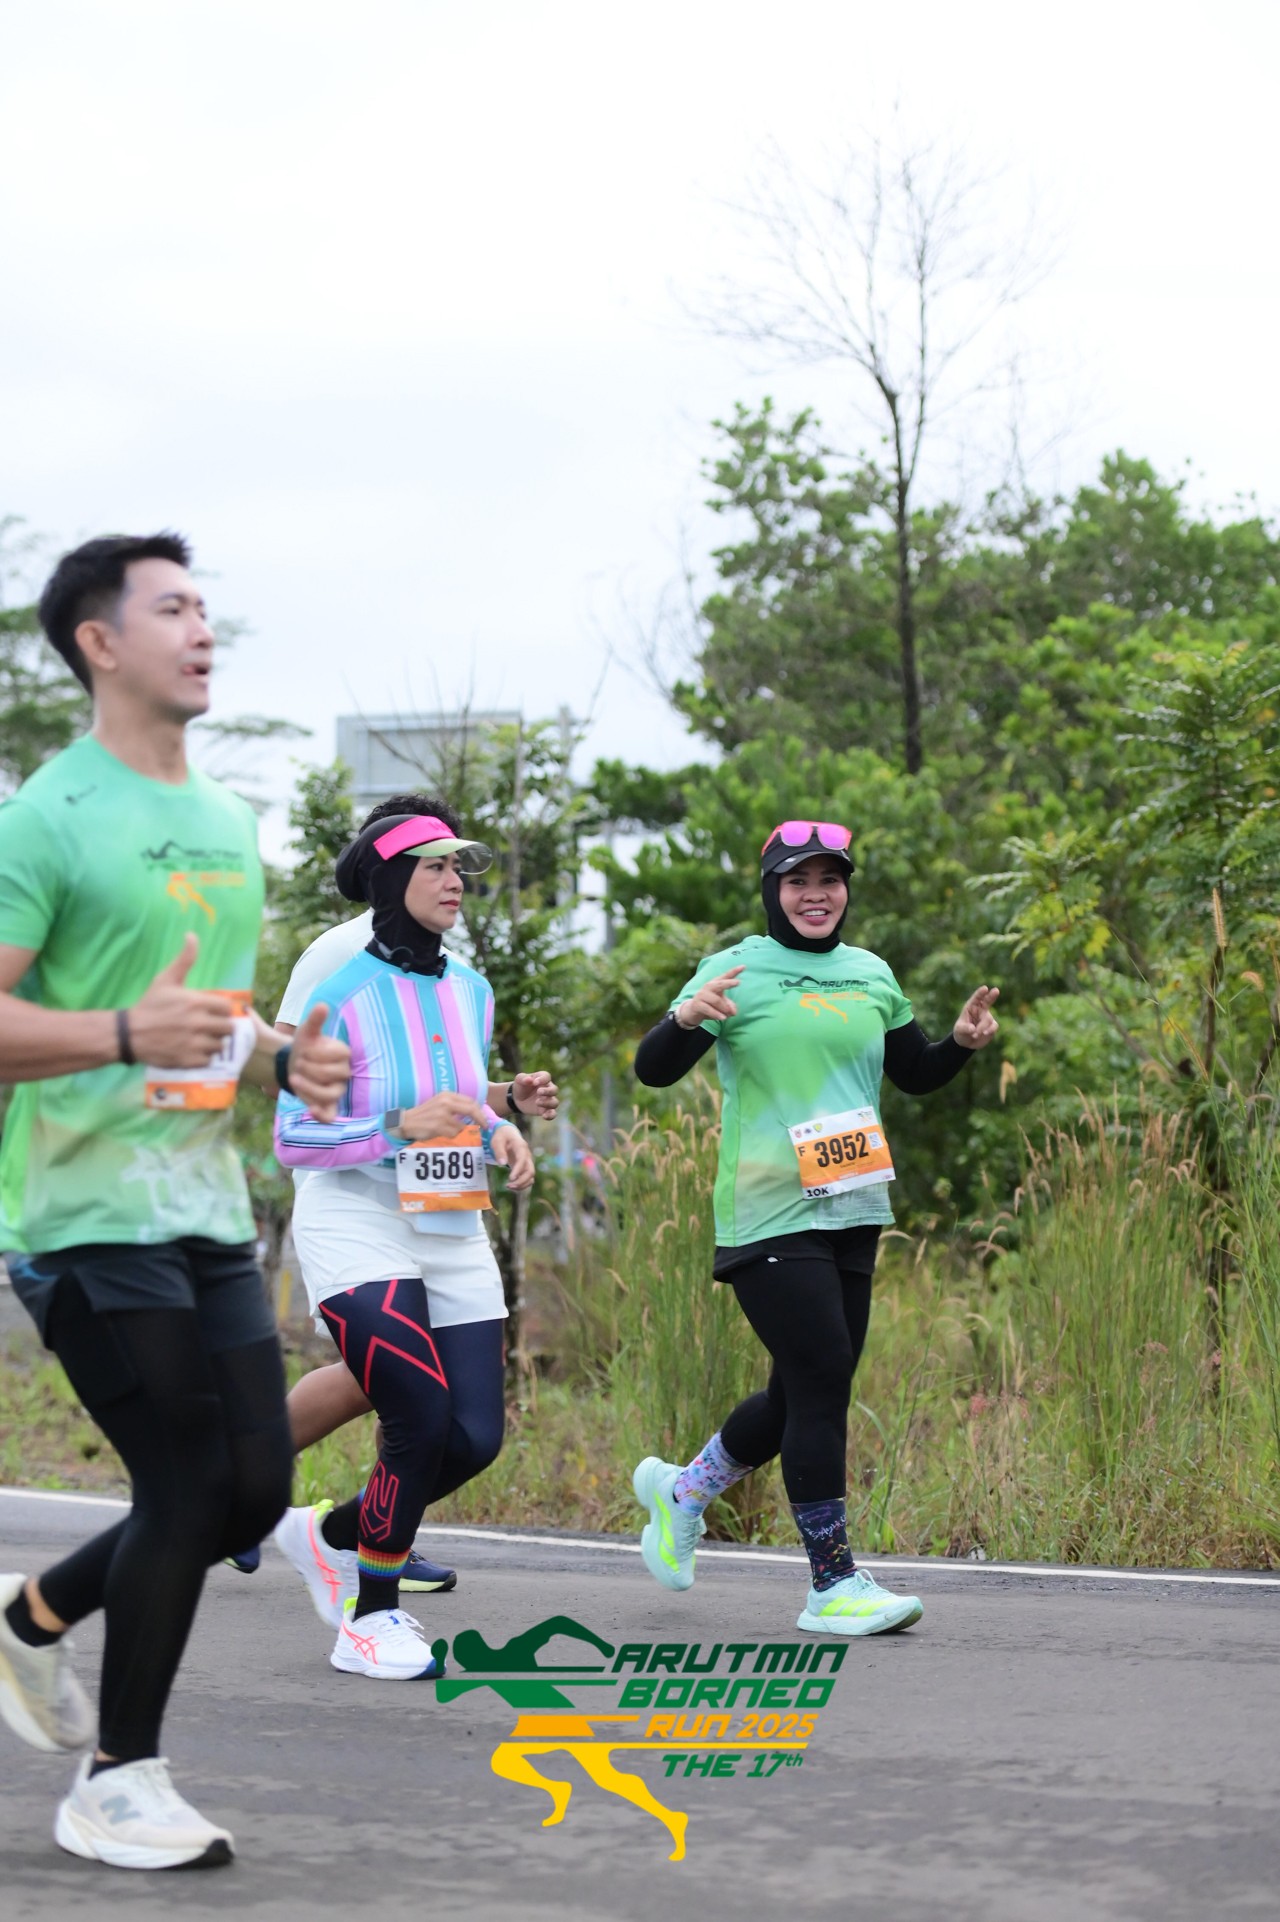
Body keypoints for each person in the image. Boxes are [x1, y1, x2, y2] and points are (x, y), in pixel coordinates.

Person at [0, 534, 349, 1869]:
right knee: (188, 1476)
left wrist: (279, 1054)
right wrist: (116, 1035)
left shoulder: (224, 822)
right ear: (100, 641)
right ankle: (117, 1779)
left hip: (201, 1203)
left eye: (206, 605)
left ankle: (31, 1617)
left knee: (252, 1490)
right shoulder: (45, 818)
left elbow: (205, 1006)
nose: (203, 628)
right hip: (77, 1210)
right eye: (172, 608)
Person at [631, 819, 1000, 1636]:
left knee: (802, 1390)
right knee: (824, 1373)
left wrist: (961, 1044)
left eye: (829, 880)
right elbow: (652, 1071)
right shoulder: (735, 969)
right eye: (797, 881)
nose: (815, 895)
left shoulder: (871, 974)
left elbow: (913, 1072)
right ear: (772, 890)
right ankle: (832, 1584)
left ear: (845, 890)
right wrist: (686, 1018)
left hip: (853, 1204)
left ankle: (683, 1491)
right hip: (767, 1208)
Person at [225, 791, 558, 1595]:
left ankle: (342, 1532)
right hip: (352, 1198)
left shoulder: (465, 978)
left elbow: (451, 1088)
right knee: (409, 1400)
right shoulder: (337, 965)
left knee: (450, 1422)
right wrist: (393, 1126)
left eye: (457, 863)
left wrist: (500, 1115)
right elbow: (291, 1087)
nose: (454, 879)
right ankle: (345, 1569)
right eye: (434, 862)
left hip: (444, 1210)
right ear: (389, 868)